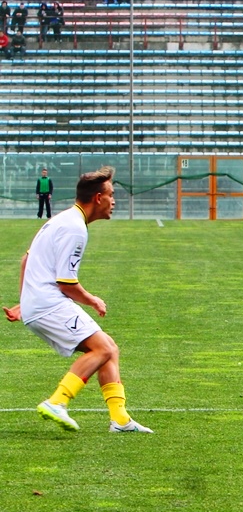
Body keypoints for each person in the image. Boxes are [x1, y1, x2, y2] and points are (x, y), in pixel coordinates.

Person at [3, 167, 153, 434]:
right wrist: (93, 300)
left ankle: (120, 419)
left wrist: (25, 301)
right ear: (98, 198)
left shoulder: (63, 220)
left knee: (109, 348)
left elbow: (27, 259)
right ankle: (57, 402)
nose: (114, 201)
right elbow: (66, 283)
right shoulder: (75, 229)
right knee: (102, 349)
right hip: (49, 304)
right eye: (111, 195)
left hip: (41, 303)